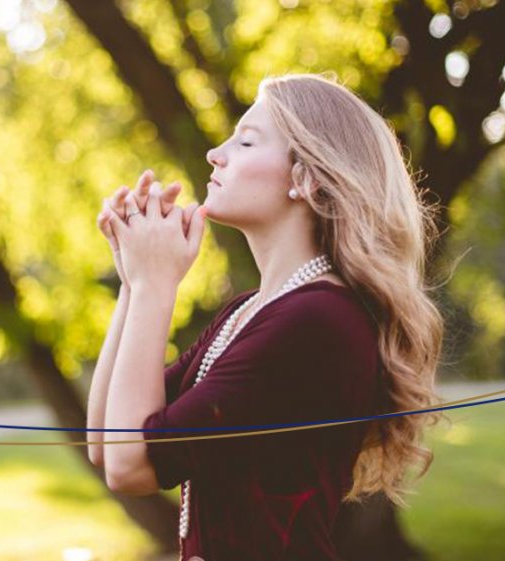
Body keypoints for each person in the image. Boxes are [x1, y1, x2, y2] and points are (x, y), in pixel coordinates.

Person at [86, 73, 446, 561]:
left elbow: (132, 467)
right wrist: (134, 281)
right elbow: (106, 445)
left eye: (246, 140)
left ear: (306, 178)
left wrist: (156, 285)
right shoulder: (252, 310)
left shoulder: (316, 322)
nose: (217, 152)